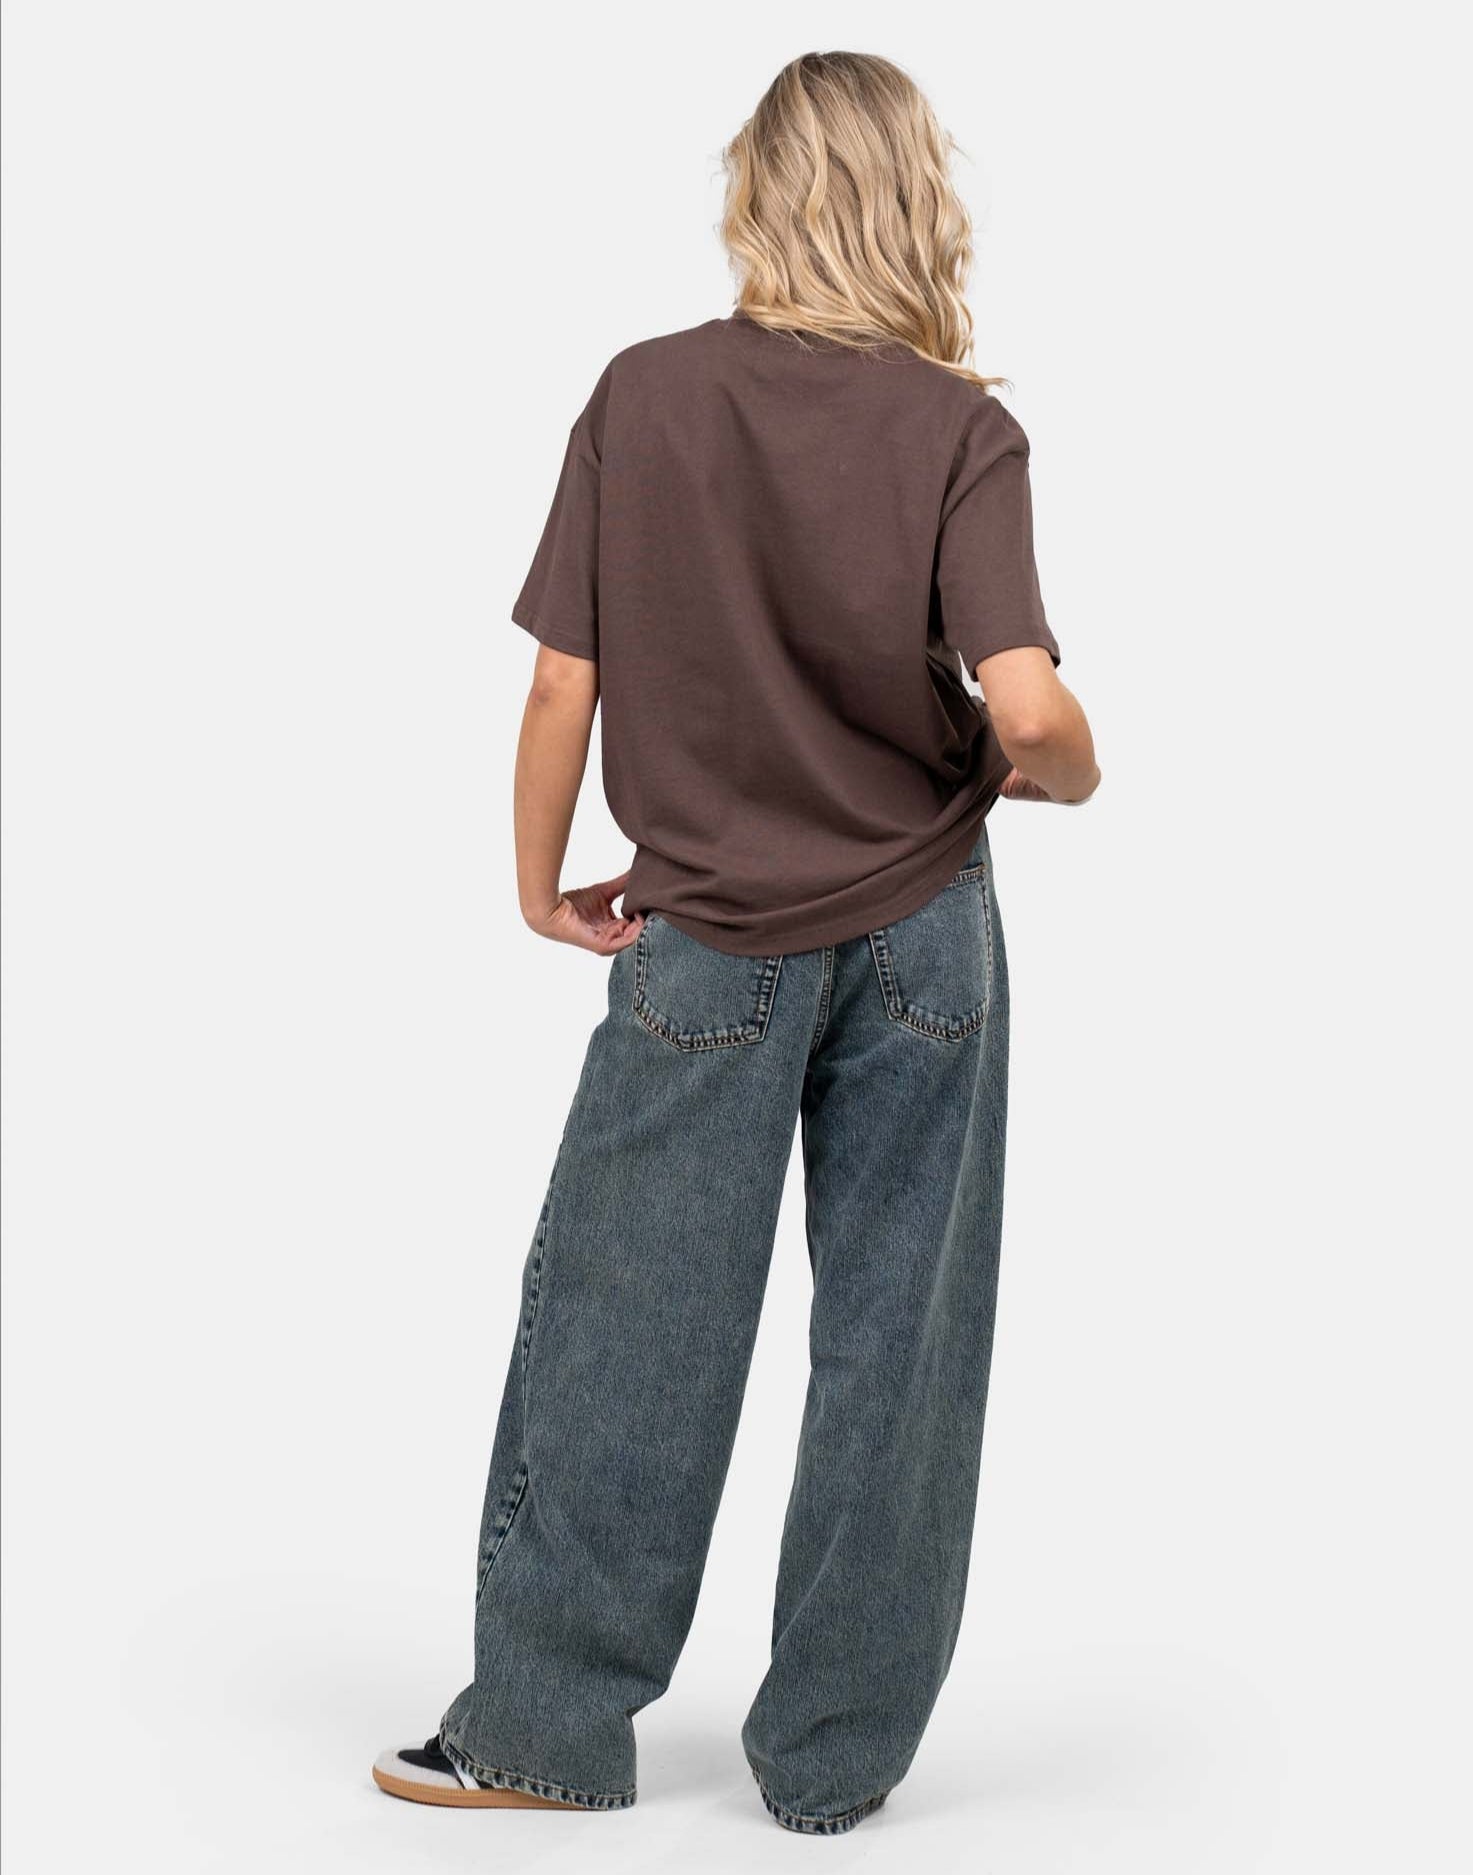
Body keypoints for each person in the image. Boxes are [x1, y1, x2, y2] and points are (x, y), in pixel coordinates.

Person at [372, 49, 1100, 1836]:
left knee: (630, 1322)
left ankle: (547, 1732)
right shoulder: (961, 431)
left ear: (757, 199)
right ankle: (831, 1769)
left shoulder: (645, 397)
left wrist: (539, 884)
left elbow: (562, 681)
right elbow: (1028, 708)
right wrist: (1068, 767)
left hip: (703, 935)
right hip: (927, 933)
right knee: (901, 1352)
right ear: (918, 203)